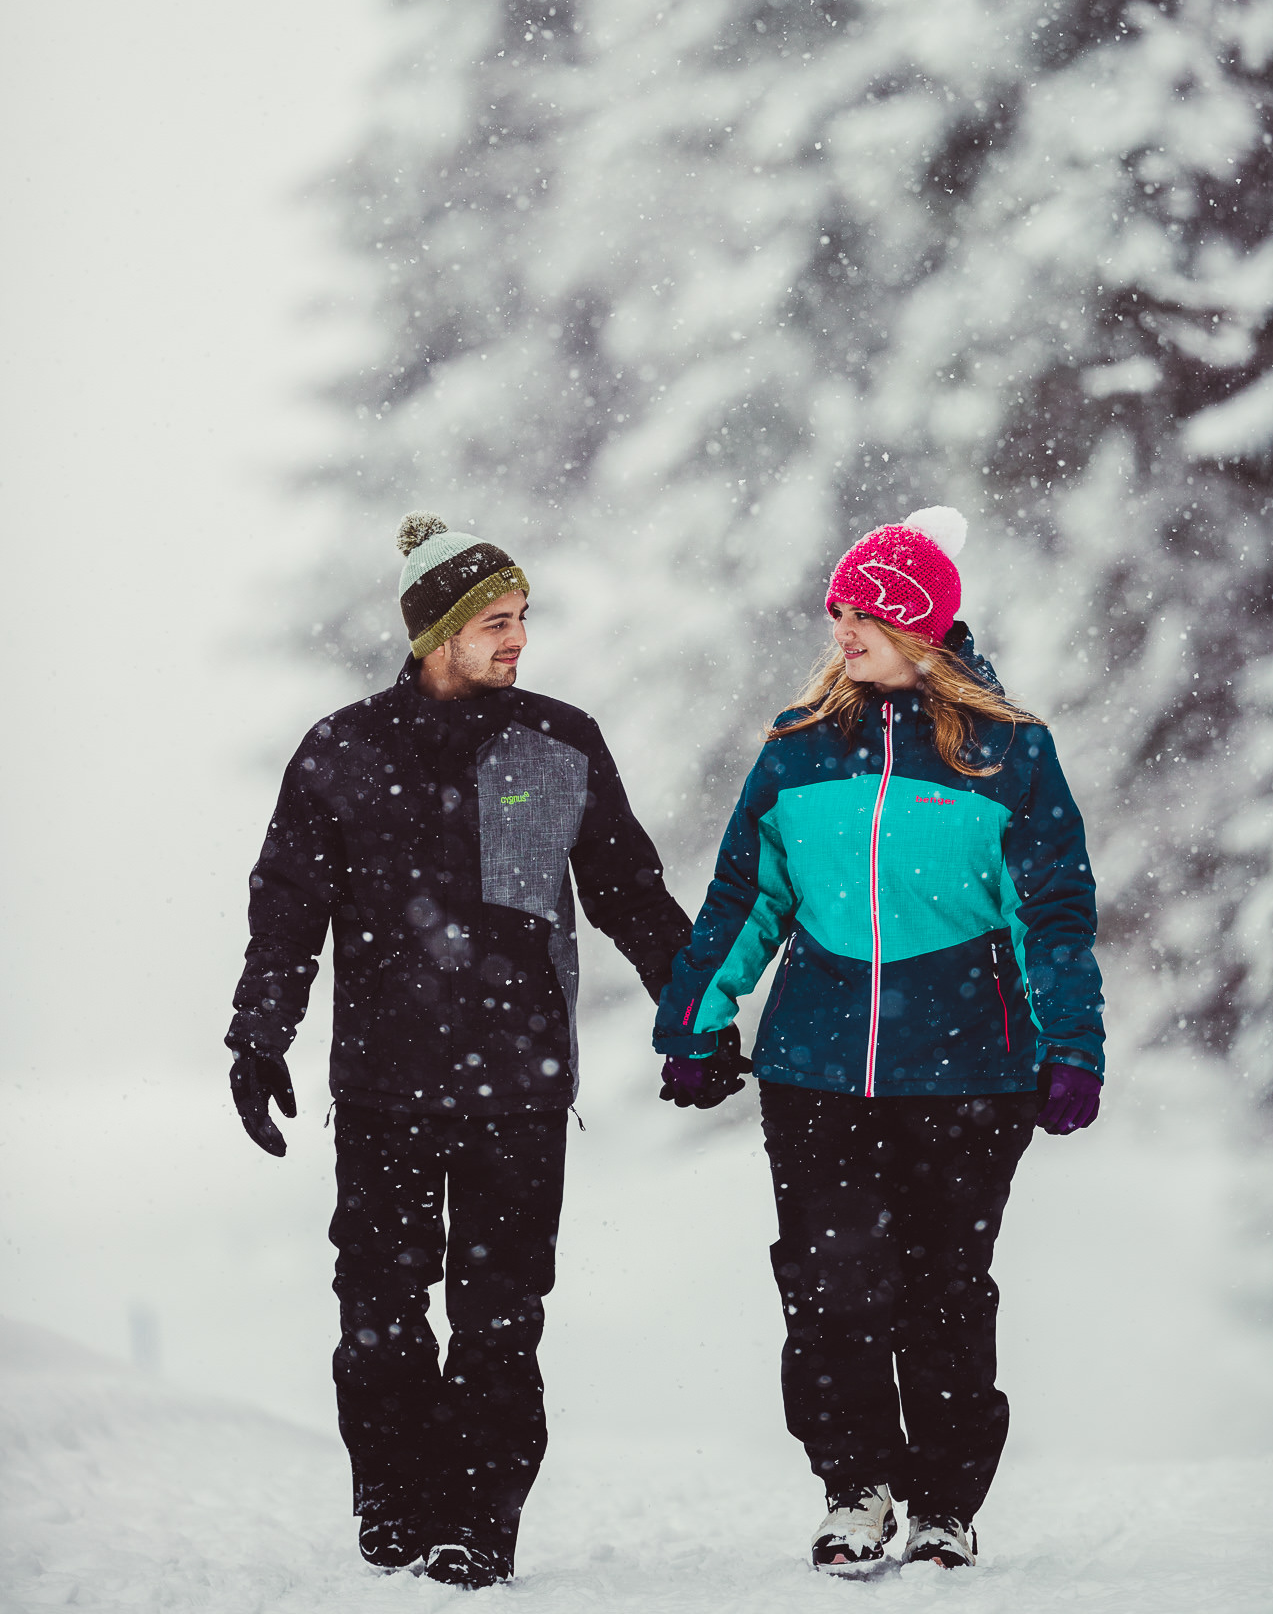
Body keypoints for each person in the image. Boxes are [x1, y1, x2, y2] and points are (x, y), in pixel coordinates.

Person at [226, 512, 691, 1589]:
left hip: (519, 1089)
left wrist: (693, 1011)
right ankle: (396, 1498)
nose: (519, 637)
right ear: (438, 631)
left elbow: (627, 891)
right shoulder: (341, 750)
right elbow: (287, 908)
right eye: (497, 620)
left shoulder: (560, 742)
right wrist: (259, 1034)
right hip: (382, 1088)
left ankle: (479, 1522)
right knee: (378, 1314)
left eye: (524, 616)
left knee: (499, 1321)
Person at [655, 506, 1103, 1574]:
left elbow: (1053, 914)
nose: (842, 631)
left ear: (921, 626)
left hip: (969, 1066)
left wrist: (1072, 1043)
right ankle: (854, 1487)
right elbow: (745, 897)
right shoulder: (797, 748)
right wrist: (695, 1020)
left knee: (945, 1288)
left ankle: (943, 1501)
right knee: (830, 1284)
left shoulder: (1008, 754)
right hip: (815, 1066)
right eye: (838, 613)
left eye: (863, 613)